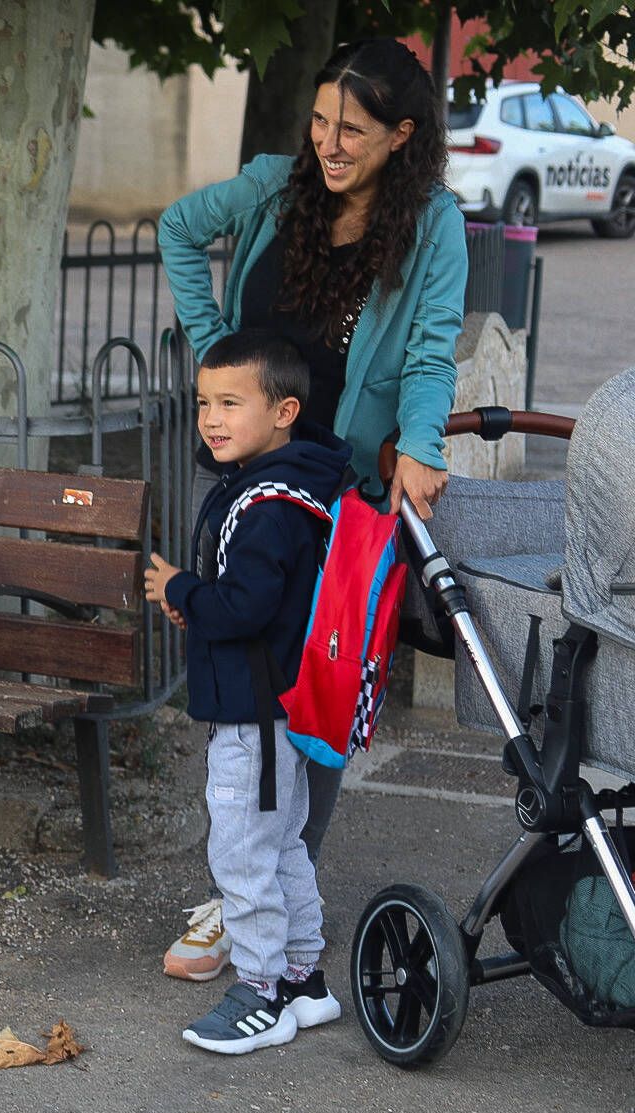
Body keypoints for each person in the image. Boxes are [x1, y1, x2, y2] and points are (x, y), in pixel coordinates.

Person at [155, 37, 465, 980]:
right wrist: (216, 363)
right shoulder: (272, 186)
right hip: (248, 479)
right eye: (322, 121)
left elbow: (429, 350)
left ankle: (271, 898)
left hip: (338, 497)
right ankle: (248, 883)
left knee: (315, 694)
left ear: (403, 136)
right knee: (239, 673)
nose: (329, 145)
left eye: (354, 131)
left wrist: (420, 446)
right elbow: (176, 227)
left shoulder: (429, 225)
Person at [144, 331, 351, 1053]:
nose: (211, 418)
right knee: (281, 841)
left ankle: (259, 990)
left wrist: (185, 590)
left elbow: (245, 608)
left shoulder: (266, 505)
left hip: (252, 713)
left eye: (232, 402)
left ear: (285, 410)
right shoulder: (289, 487)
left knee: (241, 851)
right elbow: (254, 600)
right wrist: (202, 599)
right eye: (204, 402)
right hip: (280, 704)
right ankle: (303, 978)